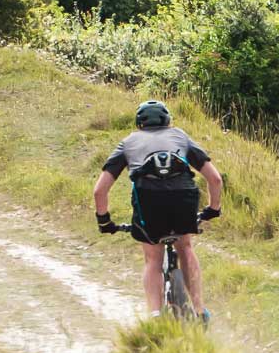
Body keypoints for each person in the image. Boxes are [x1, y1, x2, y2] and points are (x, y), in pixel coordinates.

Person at [94, 100, 225, 317]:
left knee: (153, 258)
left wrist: (104, 221)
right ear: (168, 121)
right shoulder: (181, 136)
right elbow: (216, 179)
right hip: (183, 197)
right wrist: (213, 208)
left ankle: (155, 315)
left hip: (148, 202)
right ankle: (199, 309)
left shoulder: (128, 142)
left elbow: (100, 190)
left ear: (139, 124)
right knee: (185, 247)